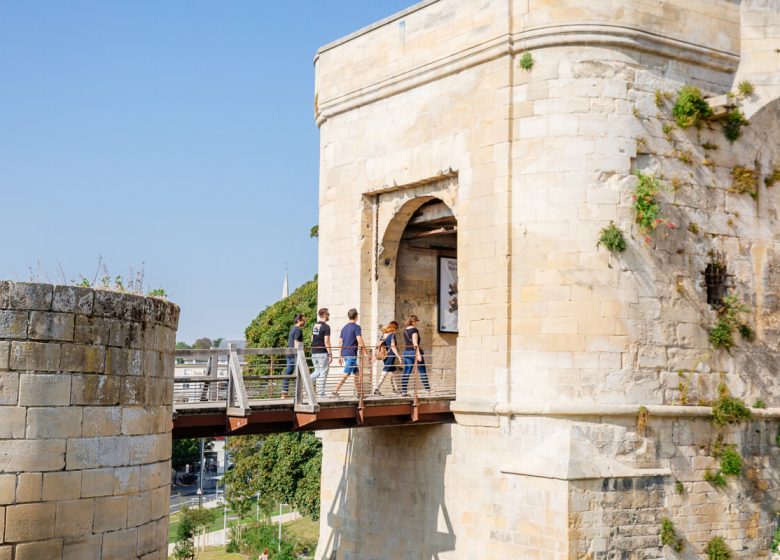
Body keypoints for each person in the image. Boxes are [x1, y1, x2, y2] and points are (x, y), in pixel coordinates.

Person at [332, 308, 373, 397]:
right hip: (351, 355)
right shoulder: (356, 327)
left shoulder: (344, 328)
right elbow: (360, 341)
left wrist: (340, 355)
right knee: (346, 374)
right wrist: (365, 353)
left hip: (346, 354)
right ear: (356, 316)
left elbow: (340, 342)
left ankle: (360, 393)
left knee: (356, 374)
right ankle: (335, 391)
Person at [401, 315, 430, 396]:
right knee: (422, 371)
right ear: (413, 321)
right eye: (416, 321)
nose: (417, 323)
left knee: (407, 372)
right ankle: (427, 389)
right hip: (414, 352)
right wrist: (418, 354)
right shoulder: (414, 330)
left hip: (406, 352)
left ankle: (403, 391)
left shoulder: (405, 330)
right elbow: (415, 343)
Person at [374, 321, 401, 395]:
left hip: (385, 355)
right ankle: (377, 389)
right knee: (385, 372)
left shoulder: (383, 334)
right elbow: (393, 347)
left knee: (394, 372)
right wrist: (399, 356)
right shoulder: (392, 335)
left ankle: (397, 389)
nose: (397, 330)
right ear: (394, 328)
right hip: (390, 356)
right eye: (397, 328)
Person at [310, 307, 332, 396]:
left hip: (314, 352)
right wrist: (330, 353)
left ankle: (305, 381)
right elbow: (326, 341)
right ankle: (321, 393)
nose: (328, 316)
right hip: (322, 352)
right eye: (328, 314)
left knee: (317, 371)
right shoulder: (326, 327)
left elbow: (312, 338)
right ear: (323, 315)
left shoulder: (315, 325)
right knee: (323, 372)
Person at [282, 314, 305, 398]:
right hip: (294, 354)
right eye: (303, 320)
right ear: (299, 320)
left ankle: (284, 392)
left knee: (288, 372)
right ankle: (299, 394)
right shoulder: (298, 330)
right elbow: (296, 342)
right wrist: (298, 354)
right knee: (301, 372)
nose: (304, 322)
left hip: (289, 353)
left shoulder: (292, 329)